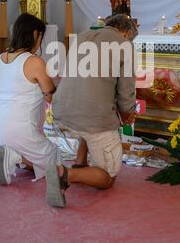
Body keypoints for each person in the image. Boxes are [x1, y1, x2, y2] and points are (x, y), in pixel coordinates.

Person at [48, 14, 138, 208]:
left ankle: (80, 164)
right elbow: (126, 91)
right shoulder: (124, 44)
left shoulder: (82, 36)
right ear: (127, 32)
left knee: (90, 112)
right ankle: (65, 174)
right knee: (108, 177)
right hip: (92, 117)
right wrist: (128, 114)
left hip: (62, 109)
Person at [0, 13, 60, 186]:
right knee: (55, 157)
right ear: (34, 34)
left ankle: (1, 157)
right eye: (41, 36)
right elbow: (51, 92)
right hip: (18, 129)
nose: (40, 42)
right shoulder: (34, 62)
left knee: (27, 148)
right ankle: (14, 157)